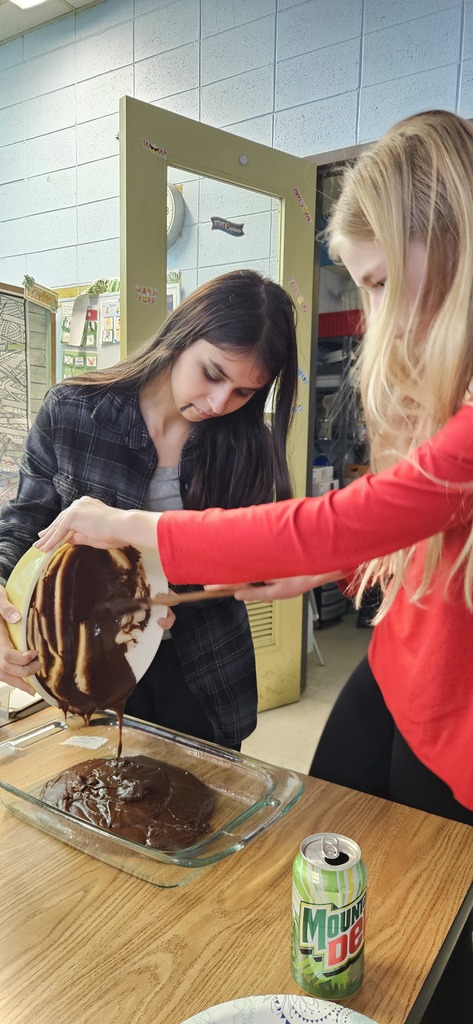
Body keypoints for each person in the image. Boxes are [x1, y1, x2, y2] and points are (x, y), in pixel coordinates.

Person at [36, 110, 473, 826]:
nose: (374, 317)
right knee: (323, 833)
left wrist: (130, 527)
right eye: (364, 286)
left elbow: (330, 524)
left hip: (447, 719)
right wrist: (332, 569)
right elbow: (405, 532)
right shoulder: (78, 412)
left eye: (380, 281)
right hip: (397, 672)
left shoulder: (246, 443)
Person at [0, 268, 299, 750]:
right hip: (88, 657)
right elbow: (26, 523)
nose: (220, 402)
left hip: (204, 672)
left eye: (244, 391)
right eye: (213, 374)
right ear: (182, 336)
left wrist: (180, 592)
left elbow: (251, 563)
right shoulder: (74, 411)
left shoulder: (249, 446)